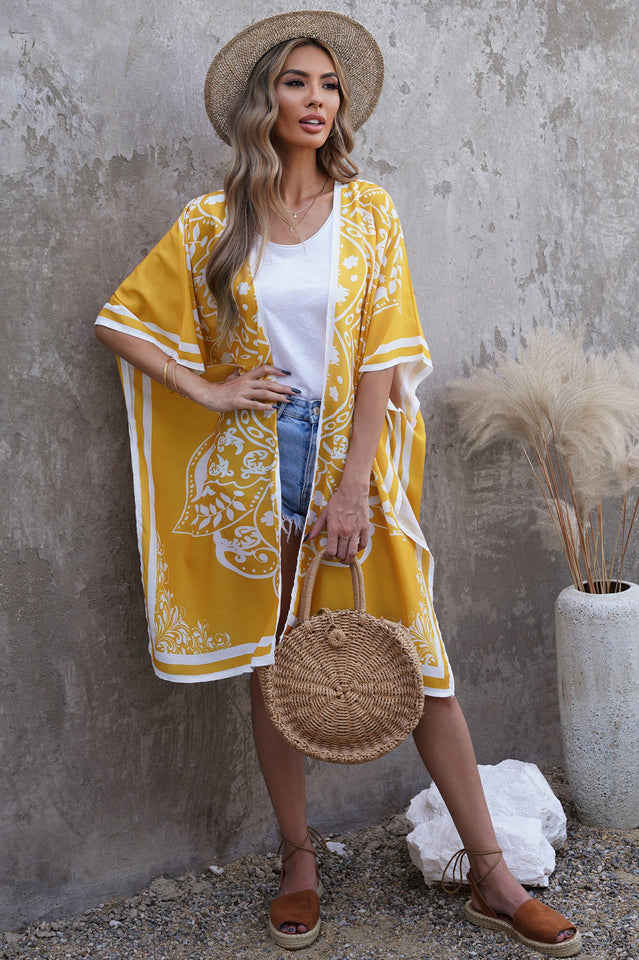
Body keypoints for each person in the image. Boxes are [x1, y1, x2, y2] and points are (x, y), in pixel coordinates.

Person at [95, 9, 581, 956]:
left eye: (328, 86)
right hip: (253, 460)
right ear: (264, 101)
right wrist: (207, 386)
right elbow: (122, 321)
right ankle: (298, 860)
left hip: (350, 457)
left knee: (420, 662)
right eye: (295, 83)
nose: (314, 100)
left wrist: (354, 488)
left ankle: (491, 874)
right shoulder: (213, 220)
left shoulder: (368, 212)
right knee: (272, 664)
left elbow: (382, 361)